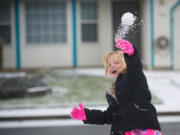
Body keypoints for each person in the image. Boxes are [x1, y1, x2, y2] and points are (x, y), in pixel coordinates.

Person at [70, 39, 162, 135]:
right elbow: (109, 116)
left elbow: (135, 67)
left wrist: (131, 54)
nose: (112, 66)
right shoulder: (113, 91)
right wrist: (87, 115)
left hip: (142, 128)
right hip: (123, 131)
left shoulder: (133, 78)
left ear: (126, 63)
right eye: (109, 65)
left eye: (117, 63)